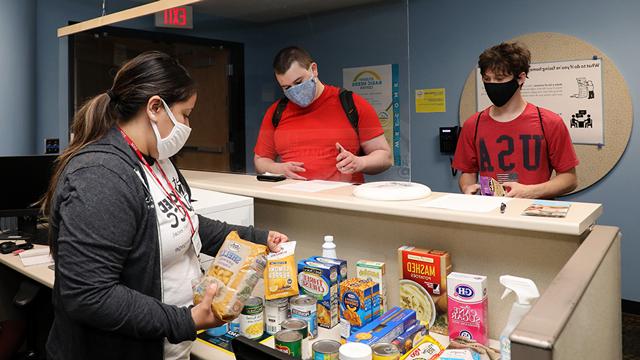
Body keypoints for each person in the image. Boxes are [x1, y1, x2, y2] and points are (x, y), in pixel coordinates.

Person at [41, 51, 288, 360]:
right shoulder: (100, 176)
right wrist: (184, 320)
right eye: (186, 114)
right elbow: (89, 295)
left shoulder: (157, 161)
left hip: (167, 346)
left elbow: (184, 223)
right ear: (155, 108)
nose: (188, 125)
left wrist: (257, 237)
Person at [452, 42, 579, 199]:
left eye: (499, 79)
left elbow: (570, 179)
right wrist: (467, 187)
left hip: (533, 216)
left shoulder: (548, 122)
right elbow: (468, 172)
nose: (492, 85)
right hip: (490, 214)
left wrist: (529, 191)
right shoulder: (473, 124)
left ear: (521, 78)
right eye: (487, 79)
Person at [254, 46, 392, 183]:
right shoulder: (276, 111)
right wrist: (277, 169)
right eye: (287, 88)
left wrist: (360, 162)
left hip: (341, 200)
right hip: (292, 199)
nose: (294, 90)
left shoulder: (351, 104)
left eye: (298, 82)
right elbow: (260, 160)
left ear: (314, 69)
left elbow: (385, 157)